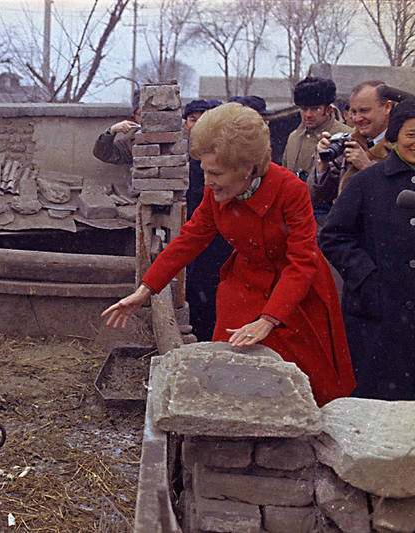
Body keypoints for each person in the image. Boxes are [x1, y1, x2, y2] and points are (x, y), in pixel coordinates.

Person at [101, 102, 355, 406]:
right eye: (205, 171)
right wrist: (146, 288)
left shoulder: (291, 190)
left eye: (216, 173)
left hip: (294, 293)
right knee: (230, 372)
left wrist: (269, 319)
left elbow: (302, 261)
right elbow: (191, 237)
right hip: (244, 287)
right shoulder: (216, 190)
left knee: (303, 383)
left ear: (248, 168)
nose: (207, 181)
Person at [319, 97, 415, 401]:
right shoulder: (367, 181)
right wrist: (367, 277)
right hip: (377, 317)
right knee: (376, 404)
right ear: (396, 135)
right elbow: (333, 235)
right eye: (412, 134)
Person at [184, 99, 232, 341]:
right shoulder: (189, 159)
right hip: (202, 237)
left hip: (227, 243)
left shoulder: (231, 157)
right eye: (194, 119)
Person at [309, 81, 393, 210]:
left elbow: (400, 194)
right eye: (353, 112)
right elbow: (319, 197)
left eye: (364, 111)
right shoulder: (350, 142)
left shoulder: (404, 145)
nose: (357, 119)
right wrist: (322, 165)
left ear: (387, 107)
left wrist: (366, 166)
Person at [282, 77, 352, 182]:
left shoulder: (346, 136)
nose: (308, 115)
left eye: (315, 109)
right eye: (304, 109)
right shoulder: (293, 137)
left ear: (328, 110)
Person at [93, 89, 141, 165]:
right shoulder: (131, 140)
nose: (145, 117)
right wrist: (111, 131)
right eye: (140, 114)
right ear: (135, 117)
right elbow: (103, 154)